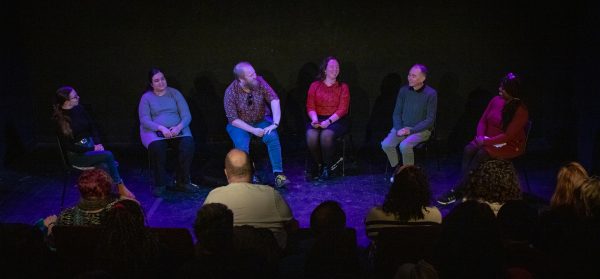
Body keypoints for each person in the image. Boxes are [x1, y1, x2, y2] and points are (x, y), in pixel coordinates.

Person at [437, 72, 529, 205]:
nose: (499, 89)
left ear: (512, 91)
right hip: (488, 139)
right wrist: (480, 136)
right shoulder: (495, 100)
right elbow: (483, 121)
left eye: (503, 88)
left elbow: (508, 136)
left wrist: (485, 142)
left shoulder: (521, 110)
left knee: (482, 154)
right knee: (468, 149)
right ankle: (465, 186)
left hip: (509, 144)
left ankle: (459, 189)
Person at [203, 149, 295, 249]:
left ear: (226, 172)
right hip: (269, 260)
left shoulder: (214, 196)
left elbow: (204, 232)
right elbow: (291, 226)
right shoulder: (271, 194)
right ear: (253, 168)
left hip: (229, 260)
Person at [53, 86, 134, 199]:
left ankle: (108, 196)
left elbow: (93, 128)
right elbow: (69, 147)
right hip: (78, 155)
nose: (78, 97)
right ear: (67, 101)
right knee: (108, 156)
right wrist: (92, 149)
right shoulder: (60, 120)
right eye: (75, 97)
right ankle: (120, 186)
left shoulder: (79, 109)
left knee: (104, 166)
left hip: (90, 147)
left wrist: (97, 144)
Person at [223, 62, 289, 188]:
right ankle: (248, 176)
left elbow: (274, 99)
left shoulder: (259, 81)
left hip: (261, 119)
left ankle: (279, 175)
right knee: (242, 144)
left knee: (272, 137)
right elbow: (233, 119)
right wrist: (253, 130)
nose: (255, 76)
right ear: (241, 79)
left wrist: (275, 123)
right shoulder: (230, 92)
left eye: (254, 72)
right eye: (250, 75)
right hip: (240, 124)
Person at [138, 68, 198, 197]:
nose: (161, 82)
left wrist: (178, 127)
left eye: (162, 79)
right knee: (157, 148)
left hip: (176, 129)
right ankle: (160, 183)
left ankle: (182, 181)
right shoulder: (146, 97)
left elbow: (186, 115)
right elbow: (144, 119)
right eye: (156, 80)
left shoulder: (175, 93)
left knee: (187, 144)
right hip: (155, 130)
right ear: (151, 84)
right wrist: (160, 128)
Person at [381, 64, 437, 181]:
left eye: (414, 76)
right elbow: (396, 113)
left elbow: (430, 119)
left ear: (422, 79)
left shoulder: (431, 94)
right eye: (409, 75)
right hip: (403, 127)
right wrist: (399, 128)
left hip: (421, 130)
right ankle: (398, 170)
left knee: (405, 145)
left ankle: (409, 176)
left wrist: (411, 130)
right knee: (386, 144)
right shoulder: (404, 91)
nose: (410, 78)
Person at [42, 169, 136, 236]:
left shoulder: (66, 216)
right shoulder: (121, 214)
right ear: (108, 188)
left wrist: (51, 227)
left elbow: (56, 245)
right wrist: (121, 198)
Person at [365, 165, 441, 239]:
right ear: (423, 189)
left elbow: (371, 236)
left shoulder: (374, 216)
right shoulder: (435, 217)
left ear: (395, 188)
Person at [305, 56, 350, 180]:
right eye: (331, 67)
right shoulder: (315, 86)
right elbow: (310, 106)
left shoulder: (343, 87)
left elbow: (343, 109)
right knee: (311, 136)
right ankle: (319, 164)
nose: (335, 69)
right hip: (318, 117)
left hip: (337, 119)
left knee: (326, 135)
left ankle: (327, 167)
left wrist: (328, 121)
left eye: (337, 67)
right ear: (324, 69)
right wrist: (314, 119)